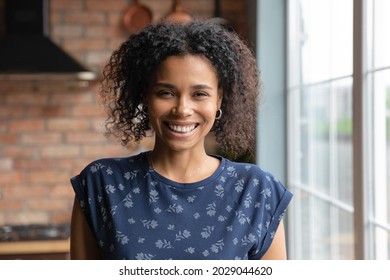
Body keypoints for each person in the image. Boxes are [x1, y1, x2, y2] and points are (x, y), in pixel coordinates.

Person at [70, 20, 293, 260]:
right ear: (145, 97)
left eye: (200, 94)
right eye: (166, 93)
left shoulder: (257, 191)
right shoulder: (101, 183)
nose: (182, 109)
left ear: (219, 100)